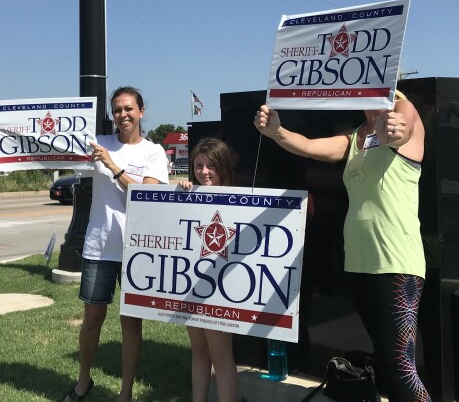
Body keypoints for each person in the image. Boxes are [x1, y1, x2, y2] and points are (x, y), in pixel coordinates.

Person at [253, 91, 431, 402]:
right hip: (359, 261)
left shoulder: (401, 109)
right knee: (387, 363)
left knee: (400, 366)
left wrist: (397, 130)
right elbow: (308, 147)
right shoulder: (356, 136)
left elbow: (403, 128)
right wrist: (276, 132)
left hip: (396, 261)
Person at [61, 86, 169, 402]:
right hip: (99, 246)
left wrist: (112, 165)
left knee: (130, 323)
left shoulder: (153, 152)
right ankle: (83, 383)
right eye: (117, 110)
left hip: (136, 249)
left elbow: (145, 196)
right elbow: (54, 144)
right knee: (92, 319)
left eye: (128, 108)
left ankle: (125, 393)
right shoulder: (100, 143)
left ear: (141, 111)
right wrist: (10, 132)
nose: (123, 115)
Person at [178, 138, 238, 402]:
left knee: (221, 354)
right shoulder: (190, 194)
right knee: (199, 350)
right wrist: (180, 193)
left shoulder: (239, 200)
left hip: (221, 290)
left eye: (210, 166)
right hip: (191, 284)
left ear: (222, 167)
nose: (203, 172)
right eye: (198, 166)